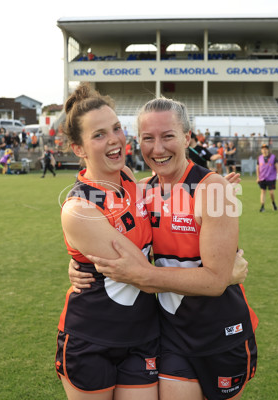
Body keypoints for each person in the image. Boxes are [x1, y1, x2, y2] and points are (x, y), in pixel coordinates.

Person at [79, 97, 258, 400]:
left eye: (168, 136)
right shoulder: (140, 191)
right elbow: (99, 232)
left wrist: (143, 276)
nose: (157, 149)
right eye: (148, 138)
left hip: (221, 331)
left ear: (188, 137)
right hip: (171, 332)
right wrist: (80, 267)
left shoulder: (212, 189)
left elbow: (215, 282)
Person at [57, 84, 160, 399]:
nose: (115, 139)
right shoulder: (79, 209)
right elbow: (144, 276)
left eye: (116, 128)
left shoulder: (127, 177)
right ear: (78, 148)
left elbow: (164, 195)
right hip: (92, 339)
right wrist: (218, 276)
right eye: (99, 135)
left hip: (143, 334)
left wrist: (204, 187)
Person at [256, 144, 278, 212]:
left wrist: (277, 174)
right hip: (262, 178)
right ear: (261, 150)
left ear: (268, 150)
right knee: (263, 191)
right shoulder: (259, 158)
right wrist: (257, 177)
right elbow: (257, 168)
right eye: (263, 149)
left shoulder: (273, 157)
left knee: (271, 192)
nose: (264, 150)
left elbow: (276, 166)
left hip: (271, 178)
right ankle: (262, 206)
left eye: (265, 149)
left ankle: (273, 203)